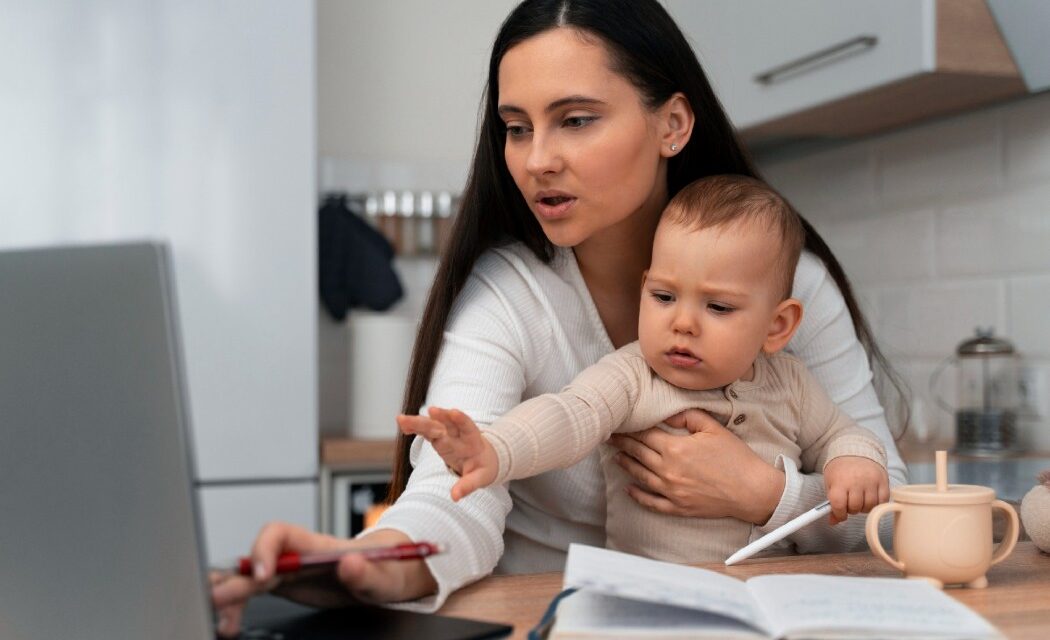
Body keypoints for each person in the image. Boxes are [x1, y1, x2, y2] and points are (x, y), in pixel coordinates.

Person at [211, 1, 908, 635]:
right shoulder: (509, 294)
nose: (537, 159)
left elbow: (895, 516)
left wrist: (766, 494)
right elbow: (454, 492)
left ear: (672, 124)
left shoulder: (791, 286)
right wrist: (368, 562)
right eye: (517, 129)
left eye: (575, 120)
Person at [397, 175, 889, 563]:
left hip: (771, 598)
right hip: (652, 597)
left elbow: (842, 434)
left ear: (777, 326)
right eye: (663, 297)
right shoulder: (634, 375)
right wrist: (494, 449)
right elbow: (568, 416)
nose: (682, 324)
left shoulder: (792, 384)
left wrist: (854, 462)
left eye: (718, 308)